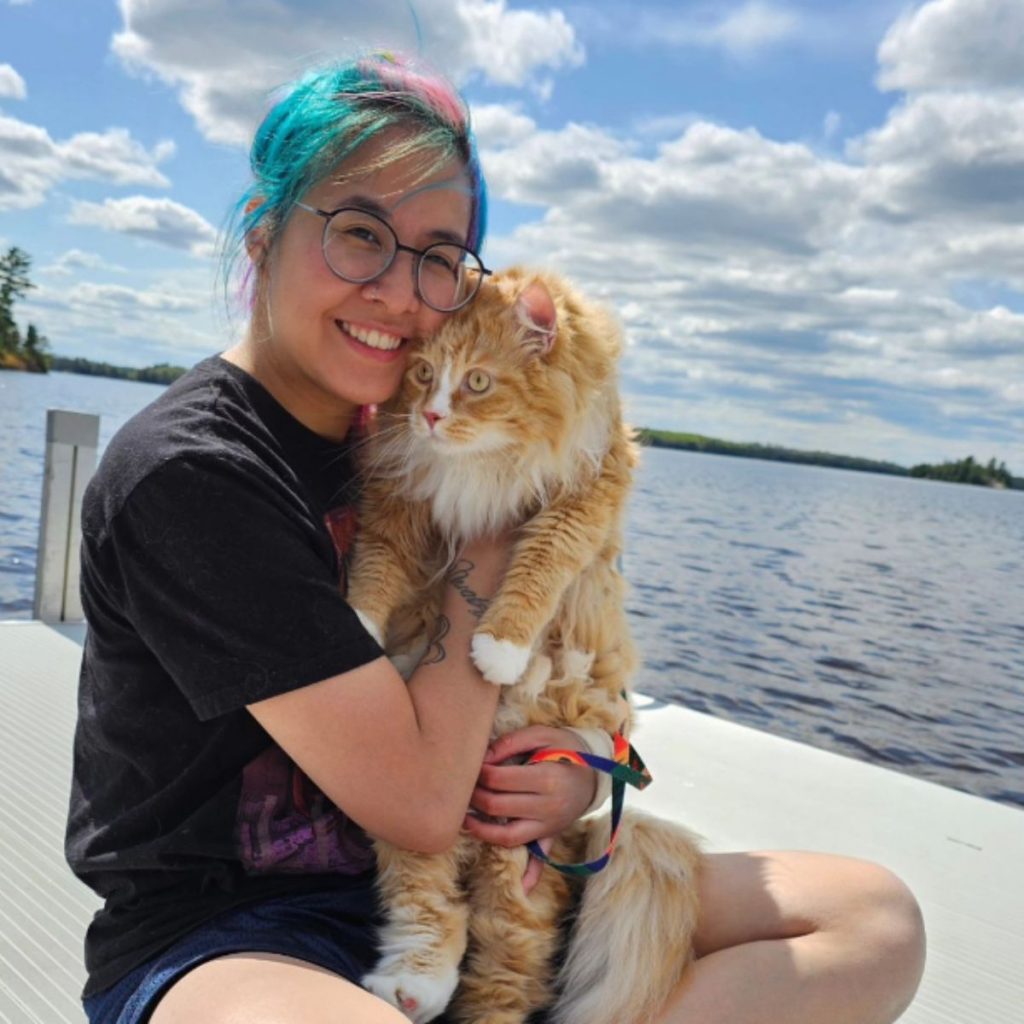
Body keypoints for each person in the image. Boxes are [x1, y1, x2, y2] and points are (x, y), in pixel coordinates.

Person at [65, 52, 925, 1024]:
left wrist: (580, 766)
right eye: (358, 233)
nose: (399, 292)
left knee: (869, 922)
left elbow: (576, 667)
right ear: (264, 237)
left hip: (490, 874)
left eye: (437, 255)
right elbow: (421, 804)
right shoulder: (193, 473)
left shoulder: (408, 426)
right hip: (245, 927)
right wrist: (496, 540)